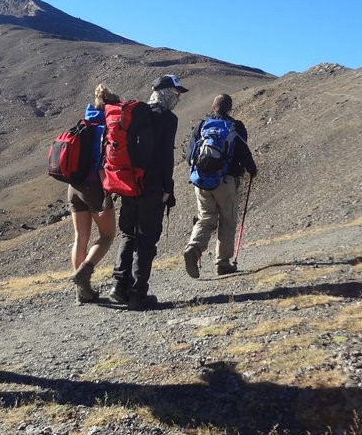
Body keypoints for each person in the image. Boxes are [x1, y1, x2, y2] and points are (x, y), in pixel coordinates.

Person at [108, 74, 183, 310]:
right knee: (147, 239)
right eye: (176, 93)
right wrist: (167, 190)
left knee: (129, 235)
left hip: (129, 184)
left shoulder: (136, 115)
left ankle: (119, 287)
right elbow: (165, 158)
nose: (178, 98)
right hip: (151, 188)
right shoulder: (168, 118)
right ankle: (138, 294)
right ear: (167, 94)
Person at [183, 93, 258, 278]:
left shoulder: (202, 126)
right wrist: (252, 170)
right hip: (226, 181)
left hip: (201, 182)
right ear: (230, 108)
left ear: (213, 106)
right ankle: (222, 263)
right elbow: (243, 153)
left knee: (205, 219)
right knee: (227, 221)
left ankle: (193, 248)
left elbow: (189, 155)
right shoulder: (236, 127)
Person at [68, 85, 118, 303]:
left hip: (73, 186)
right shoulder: (107, 129)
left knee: (80, 237)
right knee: (107, 235)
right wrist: (107, 193)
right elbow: (101, 166)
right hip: (94, 186)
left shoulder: (84, 124)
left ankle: (82, 292)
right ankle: (85, 272)